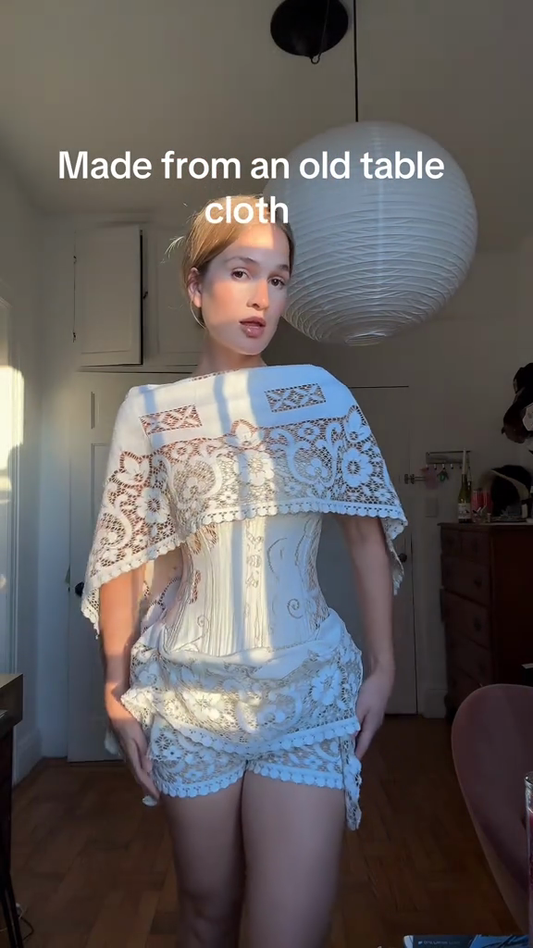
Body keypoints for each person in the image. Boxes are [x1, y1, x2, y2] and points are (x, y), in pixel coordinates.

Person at [81, 194, 407, 948]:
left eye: (278, 278)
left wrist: (385, 667)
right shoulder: (149, 410)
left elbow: (366, 540)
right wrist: (114, 685)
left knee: (288, 933)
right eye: (240, 271)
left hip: (306, 693)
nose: (263, 296)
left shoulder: (320, 396)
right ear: (194, 286)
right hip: (187, 698)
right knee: (204, 912)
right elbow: (124, 553)